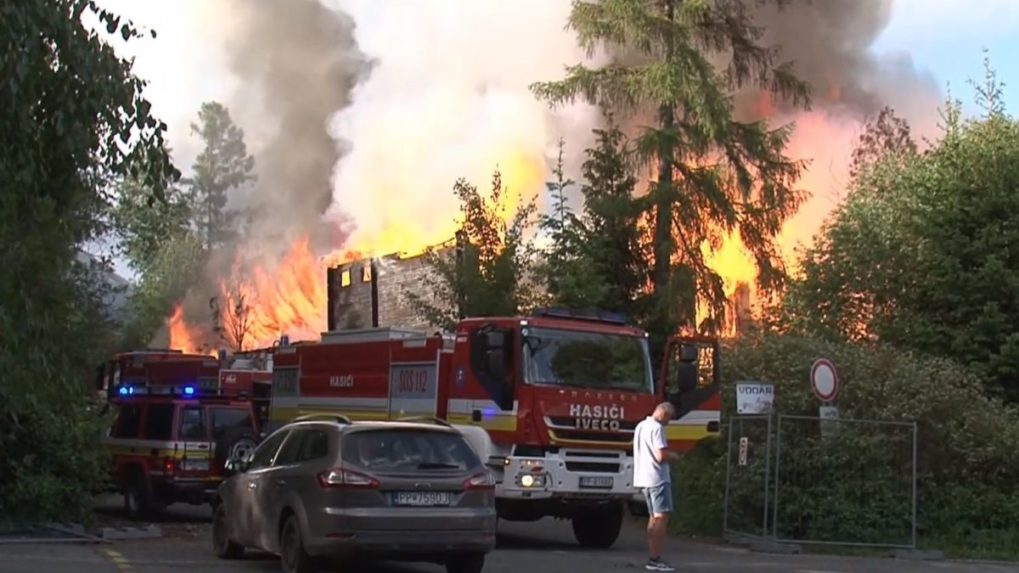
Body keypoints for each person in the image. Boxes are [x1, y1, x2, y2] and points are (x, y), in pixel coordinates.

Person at [633, 402, 679, 572]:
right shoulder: (657, 428)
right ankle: (655, 558)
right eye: (669, 418)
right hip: (657, 478)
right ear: (662, 413)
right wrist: (674, 456)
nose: (669, 422)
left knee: (653, 517)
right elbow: (661, 455)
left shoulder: (640, 426)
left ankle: (652, 556)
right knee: (661, 518)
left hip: (643, 478)